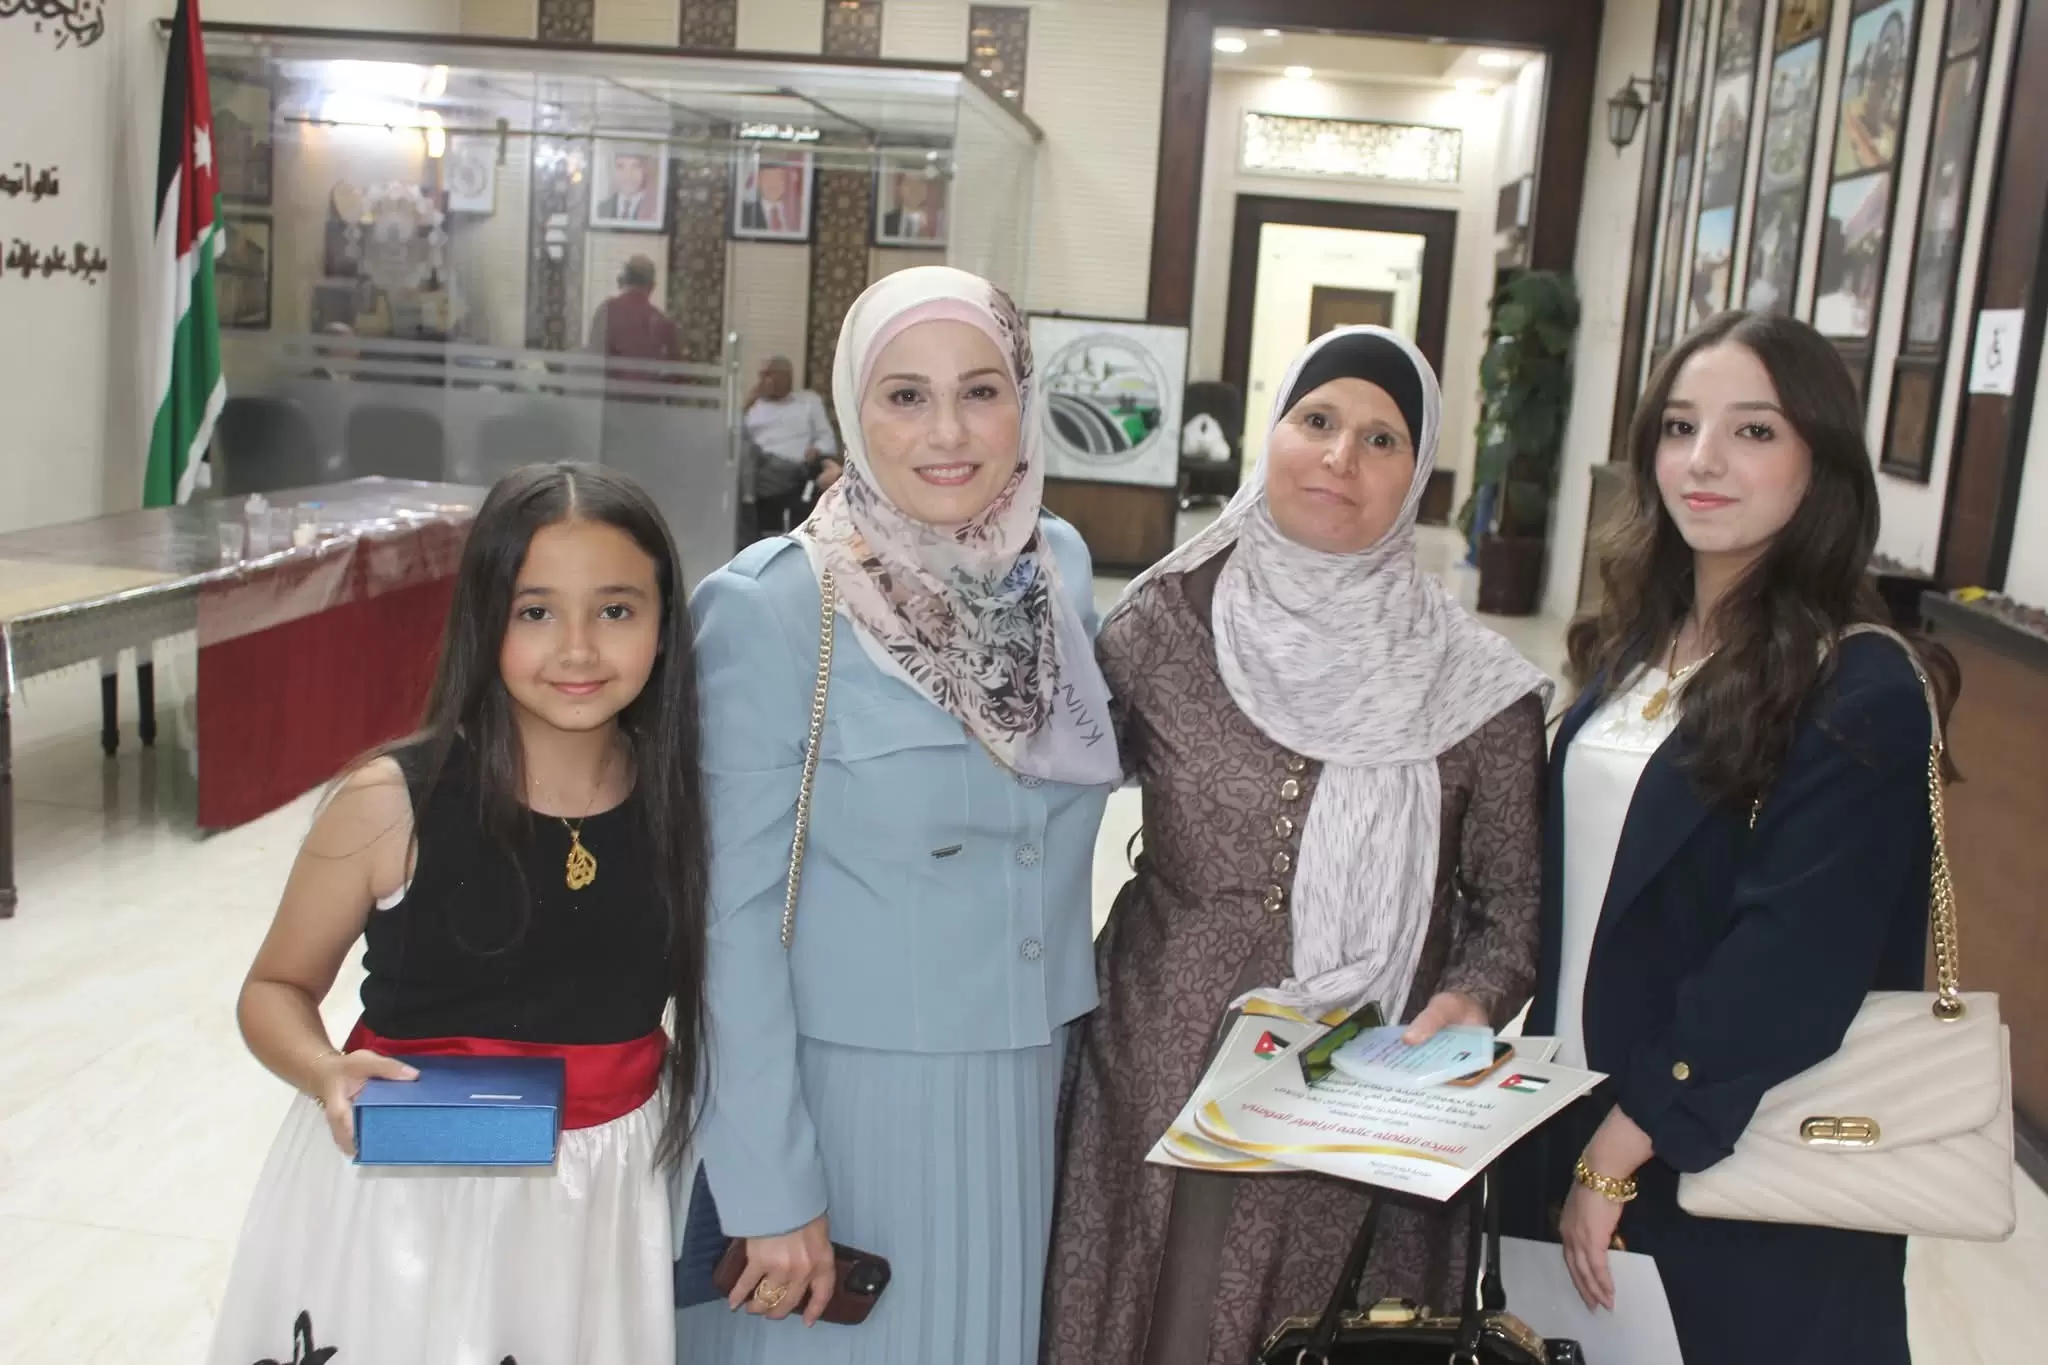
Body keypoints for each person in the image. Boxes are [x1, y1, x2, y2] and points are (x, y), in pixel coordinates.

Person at [1044, 326, 1552, 1365]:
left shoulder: (1475, 688)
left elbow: (1509, 911)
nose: (1339, 457)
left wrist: (1466, 1004)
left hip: (1359, 1101)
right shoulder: (1159, 627)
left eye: (1381, 438)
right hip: (1159, 1067)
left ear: (1418, 474)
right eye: (1316, 420)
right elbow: (1039, 806)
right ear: (1269, 433)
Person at [678, 266, 1121, 1364]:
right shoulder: (777, 607)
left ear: (1024, 400)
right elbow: (727, 924)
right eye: (906, 395)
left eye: (981, 390)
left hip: (1030, 1088)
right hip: (851, 1107)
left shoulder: (1055, 568)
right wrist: (770, 1186)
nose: (947, 432)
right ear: (852, 409)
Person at [1519, 311, 1956, 1363]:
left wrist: (1620, 1148)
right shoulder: (1637, 645)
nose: (1702, 460)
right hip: (1569, 1111)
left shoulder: (1859, 686)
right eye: (1679, 427)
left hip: (1724, 1151)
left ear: (1822, 461)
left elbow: (1790, 957)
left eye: (1752, 431)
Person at [207, 464, 708, 1365]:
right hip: (409, 1204)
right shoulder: (392, 800)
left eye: (616, 610)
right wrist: (325, 1069)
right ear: (486, 618)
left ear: (665, 623)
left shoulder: (685, 801)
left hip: (605, 1201)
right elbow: (273, 987)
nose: (579, 649)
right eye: (535, 611)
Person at [741, 356, 839, 537]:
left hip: (790, 467)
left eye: (769, 375)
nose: (762, 381)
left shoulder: (808, 401)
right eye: (761, 375)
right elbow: (730, 436)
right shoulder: (754, 405)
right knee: (745, 451)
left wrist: (817, 449)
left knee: (747, 461)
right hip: (755, 464)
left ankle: (747, 501)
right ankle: (746, 499)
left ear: (787, 377)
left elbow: (827, 439)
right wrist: (746, 404)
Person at [587, 255, 681, 390]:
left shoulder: (607, 311)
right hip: (648, 397)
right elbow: (676, 373)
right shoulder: (662, 321)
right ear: (651, 286)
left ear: (622, 280)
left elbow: (594, 360)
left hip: (612, 396)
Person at [597, 151, 661, 224]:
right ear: (612, 171)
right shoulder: (600, 210)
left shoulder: (656, 210)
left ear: (645, 170)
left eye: (636, 166)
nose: (628, 175)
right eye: (620, 167)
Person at [882, 170, 943, 241]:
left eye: (920, 183)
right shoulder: (884, 222)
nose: (914, 189)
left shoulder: (939, 224)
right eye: (909, 183)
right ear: (899, 188)